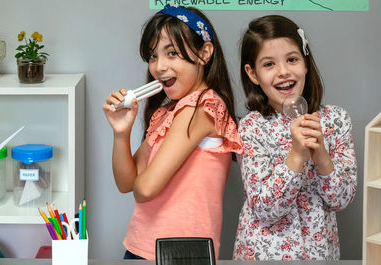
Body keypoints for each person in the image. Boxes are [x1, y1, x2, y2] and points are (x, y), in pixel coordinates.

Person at [102, 4, 241, 260]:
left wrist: (140, 181)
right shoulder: (168, 111)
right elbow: (125, 183)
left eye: (172, 53)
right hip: (141, 245)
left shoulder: (203, 106)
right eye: (153, 56)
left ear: (205, 53)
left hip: (182, 252)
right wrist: (121, 132)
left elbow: (144, 188)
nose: (159, 66)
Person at [232, 15, 357, 260]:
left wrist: (321, 155)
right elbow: (264, 209)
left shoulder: (336, 120)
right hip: (263, 254)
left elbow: (341, 200)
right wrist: (297, 156)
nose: (283, 72)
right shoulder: (251, 128)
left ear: (305, 61)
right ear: (253, 73)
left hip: (319, 253)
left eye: (292, 59)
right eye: (269, 64)